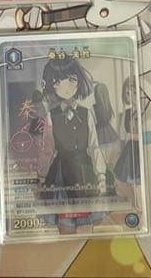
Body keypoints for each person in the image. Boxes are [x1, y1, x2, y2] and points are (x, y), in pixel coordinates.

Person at [32, 56, 110, 235]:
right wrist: (41, 176)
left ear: (79, 82)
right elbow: (48, 149)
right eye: (57, 81)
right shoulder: (51, 115)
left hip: (84, 171)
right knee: (65, 223)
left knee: (86, 224)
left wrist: (101, 175)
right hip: (60, 173)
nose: (65, 86)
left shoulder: (86, 113)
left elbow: (94, 146)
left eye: (71, 79)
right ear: (51, 85)